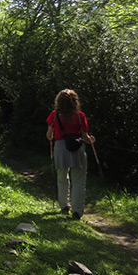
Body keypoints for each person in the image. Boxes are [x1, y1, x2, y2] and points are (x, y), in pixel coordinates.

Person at [46, 89, 95, 220]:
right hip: (77, 148)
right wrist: (91, 141)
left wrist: (54, 138)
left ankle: (64, 207)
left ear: (59, 101)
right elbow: (85, 137)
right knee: (78, 180)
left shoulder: (54, 115)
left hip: (60, 148)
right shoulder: (80, 116)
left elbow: (49, 135)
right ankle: (77, 211)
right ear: (75, 101)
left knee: (62, 178)